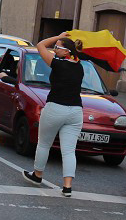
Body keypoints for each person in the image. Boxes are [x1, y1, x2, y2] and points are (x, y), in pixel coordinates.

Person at [22, 34, 85, 197]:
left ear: (66, 52)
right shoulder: (80, 67)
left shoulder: (57, 64)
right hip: (76, 111)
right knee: (69, 151)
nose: (54, 49)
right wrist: (63, 42)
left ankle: (37, 175)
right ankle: (67, 186)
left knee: (44, 144)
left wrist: (58, 36)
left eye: (58, 47)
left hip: (56, 107)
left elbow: (41, 45)